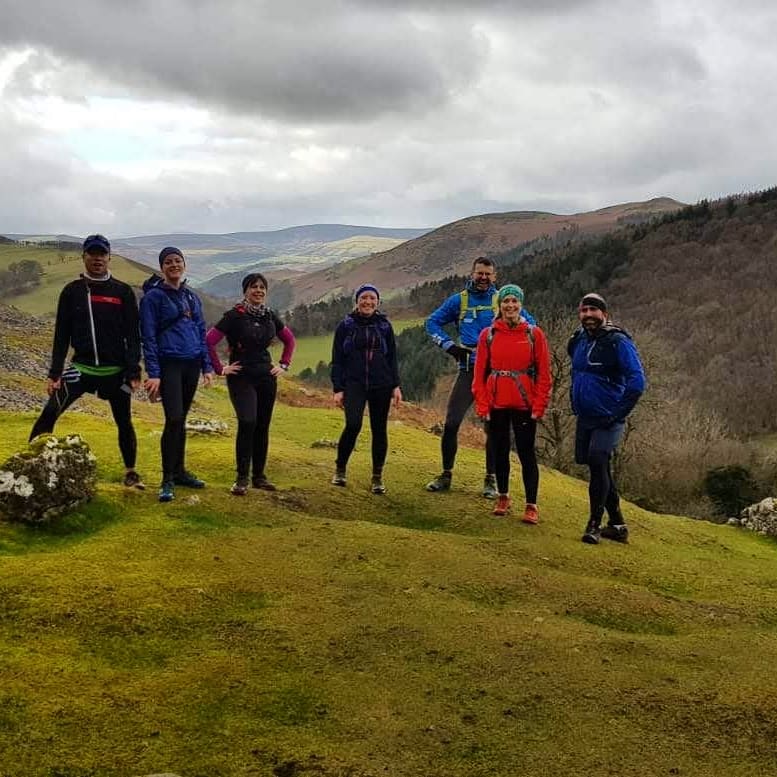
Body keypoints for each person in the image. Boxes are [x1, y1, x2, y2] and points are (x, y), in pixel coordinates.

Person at [29, 234, 145, 489]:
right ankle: (30, 465)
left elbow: (133, 335)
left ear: (109, 257)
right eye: (92, 254)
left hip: (115, 372)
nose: (97, 258)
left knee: (124, 422)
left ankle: (130, 472)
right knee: (50, 411)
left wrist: (133, 369)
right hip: (80, 369)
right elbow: (61, 334)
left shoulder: (123, 291)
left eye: (101, 254)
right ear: (84, 257)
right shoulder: (72, 291)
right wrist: (55, 372)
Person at [425, 256, 536, 496]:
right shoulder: (459, 300)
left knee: (494, 428)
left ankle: (490, 480)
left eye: (488, 274)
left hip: (496, 373)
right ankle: (445, 474)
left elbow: (531, 326)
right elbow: (431, 323)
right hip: (468, 369)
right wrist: (449, 346)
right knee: (452, 422)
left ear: (494, 276)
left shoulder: (503, 300)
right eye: (480, 273)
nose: (483, 278)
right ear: (472, 274)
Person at [205, 273, 296, 496]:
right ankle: (241, 478)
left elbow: (290, 340)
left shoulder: (270, 316)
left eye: (262, 287)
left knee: (262, 426)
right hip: (241, 375)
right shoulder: (234, 316)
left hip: (266, 375)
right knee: (248, 421)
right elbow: (209, 341)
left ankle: (259, 477)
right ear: (245, 291)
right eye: (253, 287)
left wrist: (283, 365)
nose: (258, 291)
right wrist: (219, 368)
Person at [568, 293, 645, 545]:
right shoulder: (577, 339)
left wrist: (618, 413)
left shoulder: (617, 341)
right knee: (596, 466)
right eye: (584, 310)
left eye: (593, 310)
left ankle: (594, 525)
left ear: (605, 314)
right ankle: (618, 525)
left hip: (608, 416)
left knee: (598, 459)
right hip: (585, 416)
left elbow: (637, 382)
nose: (588, 315)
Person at [140, 246, 215, 503]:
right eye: (168, 262)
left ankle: (180, 472)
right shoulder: (153, 298)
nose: (174, 265)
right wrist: (154, 373)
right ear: (162, 268)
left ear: (184, 265)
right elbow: (148, 337)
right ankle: (167, 478)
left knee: (181, 418)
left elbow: (201, 332)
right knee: (172, 418)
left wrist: (207, 366)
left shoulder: (192, 298)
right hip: (169, 364)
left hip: (191, 364)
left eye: (178, 261)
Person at [472, 285, 551, 520]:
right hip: (496, 403)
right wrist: (482, 405)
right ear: (499, 306)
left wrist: (539, 406)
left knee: (527, 453)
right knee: (500, 451)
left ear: (521, 304)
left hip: (524, 404)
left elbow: (544, 375)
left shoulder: (534, 334)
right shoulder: (488, 335)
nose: (510, 306)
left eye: (514, 301)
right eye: (505, 301)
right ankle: (503, 496)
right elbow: (479, 375)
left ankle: (531, 505)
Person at [330, 284, 402, 494]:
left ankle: (377, 477)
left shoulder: (385, 326)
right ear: (357, 301)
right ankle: (340, 469)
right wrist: (338, 388)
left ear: (377, 302)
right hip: (354, 383)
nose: (368, 302)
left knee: (379, 430)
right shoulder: (346, 325)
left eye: (372, 298)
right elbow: (337, 359)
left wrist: (395, 385)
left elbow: (392, 358)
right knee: (353, 424)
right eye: (364, 298)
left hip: (382, 383)